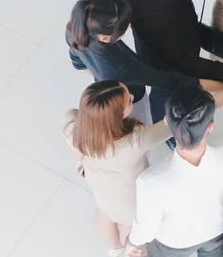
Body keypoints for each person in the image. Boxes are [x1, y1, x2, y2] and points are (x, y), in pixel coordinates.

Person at [66, 0, 223, 145]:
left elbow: (78, 62)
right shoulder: (122, 69)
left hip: (107, 83)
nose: (130, 26)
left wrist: (98, 74)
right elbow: (172, 81)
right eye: (124, 27)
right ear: (104, 37)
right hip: (130, 95)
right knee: (141, 127)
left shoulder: (75, 30)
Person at [125, 85, 223, 257]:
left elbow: (145, 231)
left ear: (166, 122)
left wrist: (130, 242)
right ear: (210, 126)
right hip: (217, 232)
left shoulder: (149, 182)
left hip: (172, 243)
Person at [63, 80, 171, 257]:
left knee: (105, 213)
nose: (133, 97)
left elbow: (69, 129)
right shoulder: (136, 141)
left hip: (101, 189)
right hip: (130, 200)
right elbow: (174, 125)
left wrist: (80, 159)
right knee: (131, 233)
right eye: (129, 101)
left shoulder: (74, 126)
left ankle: (114, 247)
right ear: (115, 117)